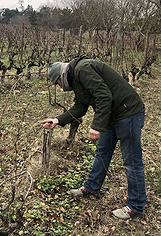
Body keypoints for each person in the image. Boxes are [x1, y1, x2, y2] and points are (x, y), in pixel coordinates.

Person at [42, 56, 146, 220]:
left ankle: (136, 205)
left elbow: (104, 96)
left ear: (61, 77)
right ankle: (91, 187)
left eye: (57, 83)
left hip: (128, 113)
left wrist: (97, 126)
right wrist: (58, 120)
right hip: (112, 115)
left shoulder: (83, 70)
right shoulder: (76, 79)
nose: (60, 88)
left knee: (131, 161)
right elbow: (79, 107)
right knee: (102, 153)